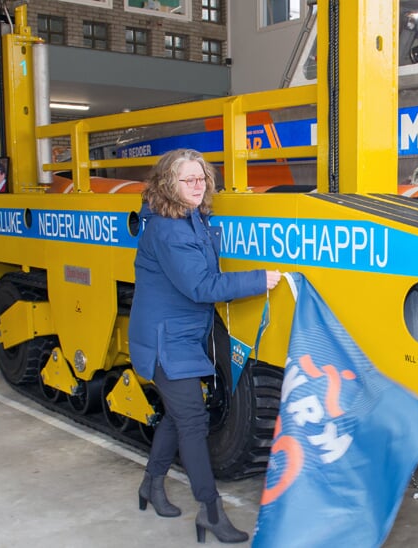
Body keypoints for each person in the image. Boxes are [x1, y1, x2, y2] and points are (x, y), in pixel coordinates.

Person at [128, 148, 281, 543]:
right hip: (165, 341)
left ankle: (151, 484)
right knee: (193, 422)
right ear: (168, 184)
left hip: (181, 336)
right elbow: (201, 287)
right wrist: (258, 279)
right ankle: (211, 511)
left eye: (202, 180)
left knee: (179, 417)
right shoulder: (169, 229)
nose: (198, 187)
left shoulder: (190, 219)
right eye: (188, 180)